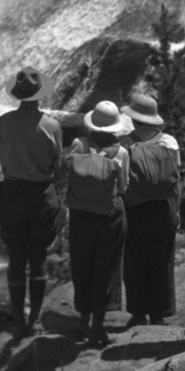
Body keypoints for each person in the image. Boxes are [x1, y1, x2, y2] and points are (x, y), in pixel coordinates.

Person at [0, 66, 71, 339]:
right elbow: (57, 162)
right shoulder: (51, 125)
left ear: (17, 94)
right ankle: (35, 320)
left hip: (11, 194)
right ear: (40, 95)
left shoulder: (3, 122)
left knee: (15, 257)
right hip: (41, 196)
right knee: (38, 257)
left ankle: (16, 321)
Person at [66, 99, 133, 346]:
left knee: (82, 263)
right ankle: (97, 327)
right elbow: (124, 186)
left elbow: (70, 174)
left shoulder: (78, 143)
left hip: (81, 213)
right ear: (116, 127)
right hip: (110, 214)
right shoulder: (123, 152)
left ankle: (82, 320)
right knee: (107, 267)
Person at [120, 92, 181, 328]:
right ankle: (160, 312)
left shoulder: (125, 143)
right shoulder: (170, 142)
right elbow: (177, 178)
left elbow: (122, 180)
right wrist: (177, 210)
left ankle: (138, 314)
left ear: (135, 119)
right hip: (164, 206)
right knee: (162, 258)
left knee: (134, 259)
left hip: (134, 206)